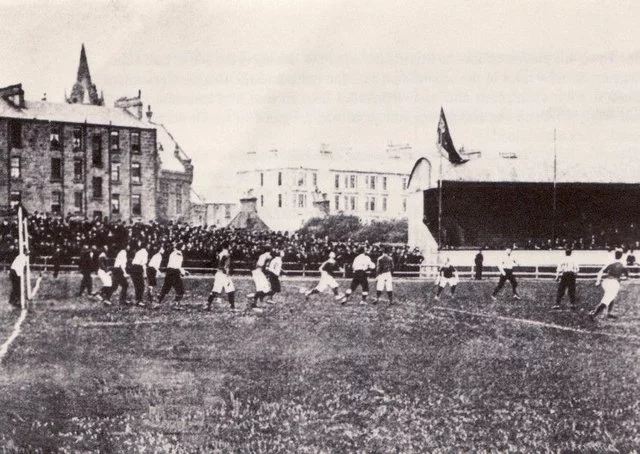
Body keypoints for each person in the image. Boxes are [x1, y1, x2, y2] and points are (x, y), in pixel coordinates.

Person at [590, 250, 629, 321]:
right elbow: (626, 277)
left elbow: (600, 271)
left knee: (611, 297)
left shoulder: (610, 262)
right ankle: (594, 314)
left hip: (606, 281)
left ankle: (608, 313)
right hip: (614, 283)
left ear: (615, 255)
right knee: (607, 299)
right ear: (621, 255)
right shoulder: (623, 264)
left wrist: (598, 281)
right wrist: (621, 279)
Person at [206, 242, 236, 310]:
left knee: (216, 290)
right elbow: (222, 263)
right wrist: (225, 270)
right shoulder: (226, 254)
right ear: (228, 246)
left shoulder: (221, 253)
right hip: (223, 274)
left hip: (219, 274)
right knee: (231, 289)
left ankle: (208, 304)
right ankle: (232, 307)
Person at [158, 243, 188, 307]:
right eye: (183, 246)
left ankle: (158, 302)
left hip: (169, 271)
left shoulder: (173, 253)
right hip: (174, 272)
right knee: (180, 289)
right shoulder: (179, 254)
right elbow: (177, 266)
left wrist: (183, 271)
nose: (184, 247)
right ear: (181, 247)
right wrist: (183, 272)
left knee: (166, 287)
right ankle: (176, 304)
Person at [130, 241, 148, 307]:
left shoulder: (138, 251)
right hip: (138, 268)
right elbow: (143, 263)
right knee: (141, 285)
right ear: (146, 246)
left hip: (133, 268)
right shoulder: (145, 252)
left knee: (137, 285)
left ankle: (137, 300)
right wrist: (145, 273)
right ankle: (139, 301)